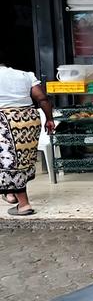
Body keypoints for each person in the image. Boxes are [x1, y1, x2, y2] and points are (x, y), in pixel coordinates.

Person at [0, 51, 55, 216]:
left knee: (9, 161)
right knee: (20, 160)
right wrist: (49, 119)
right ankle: (10, 194)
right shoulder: (25, 75)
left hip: (5, 119)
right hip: (28, 119)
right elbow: (42, 99)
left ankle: (24, 205)